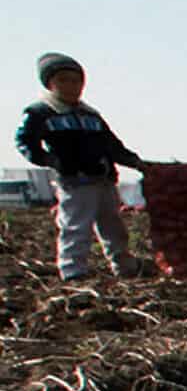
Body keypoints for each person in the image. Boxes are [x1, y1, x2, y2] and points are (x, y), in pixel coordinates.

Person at [14, 53, 146, 281]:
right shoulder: (41, 113)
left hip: (103, 178)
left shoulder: (90, 115)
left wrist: (135, 162)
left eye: (76, 81)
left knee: (114, 227)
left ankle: (124, 266)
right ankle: (73, 271)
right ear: (50, 83)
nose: (71, 86)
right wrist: (50, 160)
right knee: (76, 227)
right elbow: (24, 141)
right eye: (63, 80)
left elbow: (111, 145)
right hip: (74, 180)